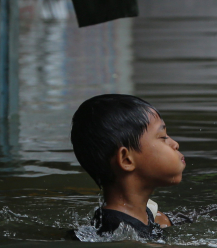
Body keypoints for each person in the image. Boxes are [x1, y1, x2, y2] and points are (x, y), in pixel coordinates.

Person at [71, 94, 185, 240]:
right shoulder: (121, 236)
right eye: (163, 137)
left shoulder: (144, 215)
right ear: (126, 160)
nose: (175, 144)